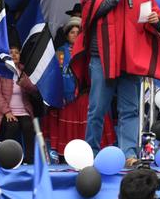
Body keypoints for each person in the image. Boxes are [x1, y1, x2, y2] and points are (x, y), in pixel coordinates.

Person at [70, 0, 160, 167]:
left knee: (130, 109)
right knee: (97, 107)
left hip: (130, 60)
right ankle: (92, 154)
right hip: (103, 59)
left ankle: (129, 154)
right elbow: (87, 13)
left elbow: (158, 20)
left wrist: (157, 21)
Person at [42, 16, 115, 161]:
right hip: (67, 98)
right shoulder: (60, 53)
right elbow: (56, 75)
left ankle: (91, 152)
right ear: (67, 35)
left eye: (78, 32)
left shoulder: (88, 51)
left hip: (86, 94)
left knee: (92, 119)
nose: (75, 35)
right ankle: (70, 156)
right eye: (72, 32)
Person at [0, 43, 39, 164]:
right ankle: (8, 158)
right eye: (11, 52)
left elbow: (34, 89)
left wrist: (25, 83)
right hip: (5, 112)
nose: (14, 55)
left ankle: (29, 159)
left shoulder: (23, 70)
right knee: (12, 126)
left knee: (29, 126)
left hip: (23, 110)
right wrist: (7, 112)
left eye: (17, 52)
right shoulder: (0, 71)